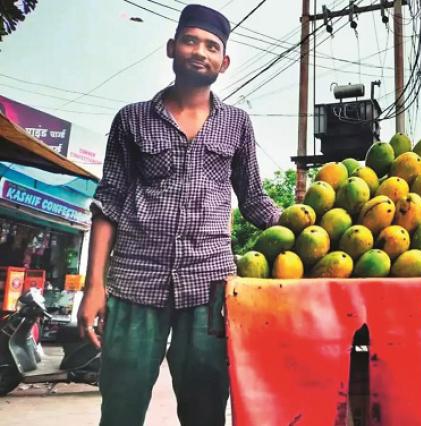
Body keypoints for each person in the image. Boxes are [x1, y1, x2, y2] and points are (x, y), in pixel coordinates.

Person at [76, 4, 281, 425]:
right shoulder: (131, 119)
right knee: (120, 408)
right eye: (190, 40)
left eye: (211, 45)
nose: (199, 51)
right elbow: (108, 202)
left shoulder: (237, 124)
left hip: (209, 288)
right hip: (135, 282)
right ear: (172, 48)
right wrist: (93, 286)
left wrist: (309, 229)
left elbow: (255, 201)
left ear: (224, 63)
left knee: (206, 410)